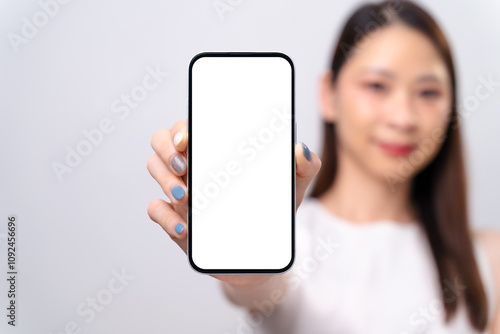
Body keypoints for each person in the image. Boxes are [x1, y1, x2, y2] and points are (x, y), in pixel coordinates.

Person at [146, 1, 500, 332]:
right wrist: (246, 271)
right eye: (377, 86)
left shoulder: (490, 258)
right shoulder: (283, 239)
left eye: (428, 92)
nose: (403, 117)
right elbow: (257, 288)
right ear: (328, 95)